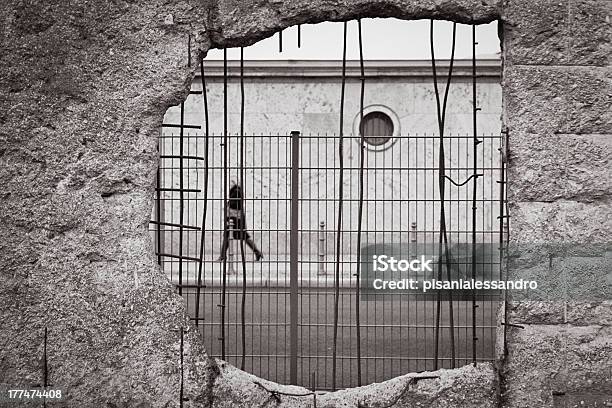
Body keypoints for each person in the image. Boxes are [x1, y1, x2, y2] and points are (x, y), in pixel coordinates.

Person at [217, 182, 263, 261]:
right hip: (238, 219)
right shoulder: (238, 195)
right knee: (243, 237)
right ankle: (257, 252)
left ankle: (222, 256)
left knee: (228, 237)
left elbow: (231, 208)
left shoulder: (235, 194)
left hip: (233, 219)